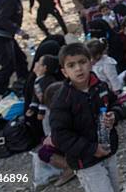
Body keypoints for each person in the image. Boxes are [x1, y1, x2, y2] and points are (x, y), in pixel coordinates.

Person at [50, 43, 120, 192]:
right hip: (85, 161)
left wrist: (114, 115)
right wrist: (91, 149)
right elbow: (60, 136)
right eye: (71, 65)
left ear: (91, 62)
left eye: (82, 62)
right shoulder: (63, 100)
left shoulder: (100, 86)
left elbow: (115, 104)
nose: (78, 68)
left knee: (115, 187)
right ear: (64, 72)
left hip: (108, 150)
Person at [36, 81, 76, 187]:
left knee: (44, 152)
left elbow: (59, 133)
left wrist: (51, 139)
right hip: (83, 139)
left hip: (73, 141)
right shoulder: (76, 103)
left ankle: (68, 167)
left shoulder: (55, 113)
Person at [26, 54, 60, 120]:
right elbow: (36, 95)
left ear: (44, 68)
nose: (36, 63)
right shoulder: (39, 79)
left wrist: (42, 112)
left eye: (39, 62)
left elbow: (47, 98)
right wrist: (33, 107)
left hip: (51, 111)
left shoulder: (47, 82)